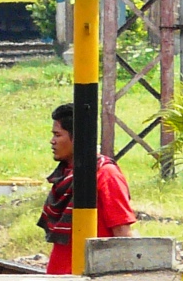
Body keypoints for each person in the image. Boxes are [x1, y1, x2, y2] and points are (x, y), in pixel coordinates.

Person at [38, 103, 135, 274]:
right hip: (61, 274)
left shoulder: (105, 175)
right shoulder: (64, 175)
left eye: (57, 135)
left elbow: (122, 233)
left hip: (92, 273)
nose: (52, 141)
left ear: (77, 137)